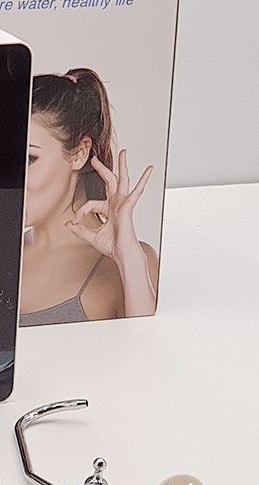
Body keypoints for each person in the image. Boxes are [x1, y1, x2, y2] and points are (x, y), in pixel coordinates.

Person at [20, 68, 159, 325]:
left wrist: (129, 261)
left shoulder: (127, 262)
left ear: (79, 154)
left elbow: (150, 345)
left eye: (29, 159)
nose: (11, 178)